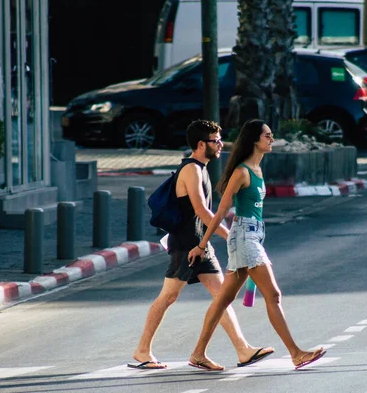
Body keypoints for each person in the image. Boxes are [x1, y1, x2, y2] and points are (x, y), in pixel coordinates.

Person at [130, 119, 274, 371]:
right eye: (215, 141)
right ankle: (142, 350)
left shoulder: (202, 169)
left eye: (219, 140)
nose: (220, 145)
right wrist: (230, 235)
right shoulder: (191, 170)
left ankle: (242, 350)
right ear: (200, 144)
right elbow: (202, 211)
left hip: (200, 245)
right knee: (168, 296)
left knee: (222, 297)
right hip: (186, 246)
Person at [187, 119, 326, 371]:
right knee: (273, 294)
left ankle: (198, 353)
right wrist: (202, 244)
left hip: (252, 235)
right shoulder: (241, 172)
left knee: (222, 301)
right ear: (254, 140)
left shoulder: (258, 169)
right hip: (244, 237)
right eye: (267, 136)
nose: (271, 139)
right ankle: (296, 353)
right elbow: (221, 211)